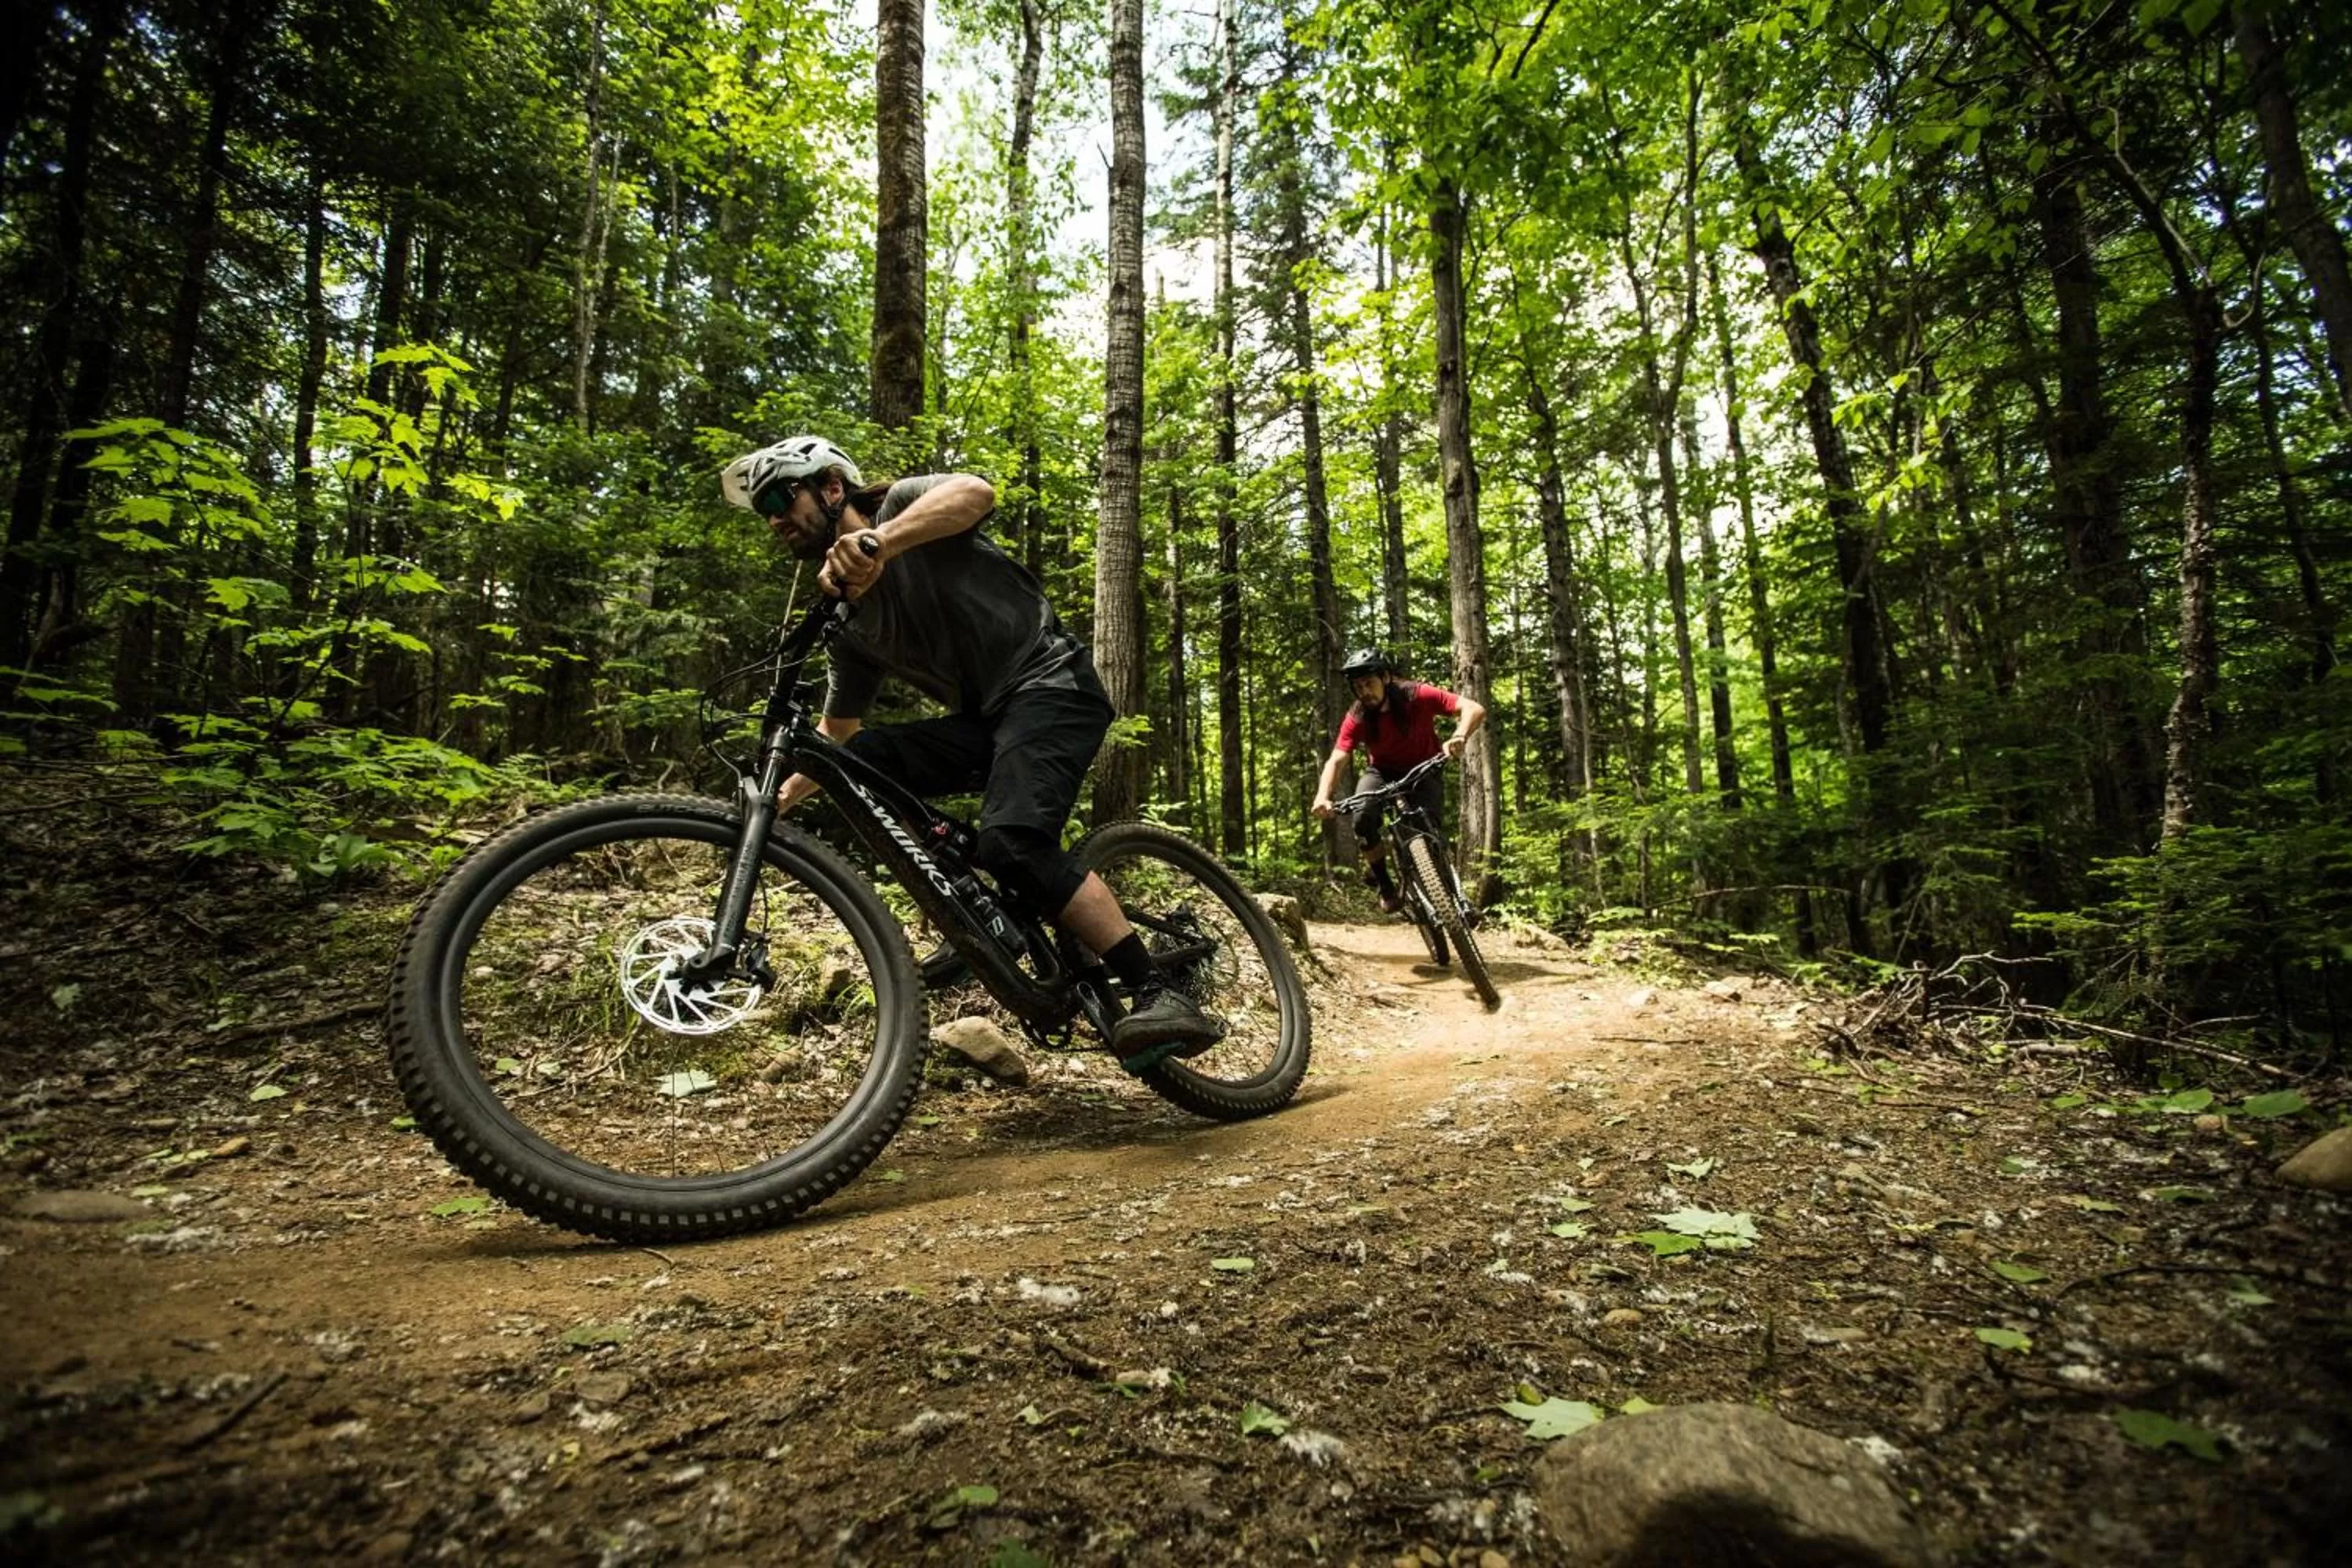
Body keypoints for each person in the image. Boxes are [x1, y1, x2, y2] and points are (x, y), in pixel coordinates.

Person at [720, 434, 1221, 1071]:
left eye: (777, 496)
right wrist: (776, 800)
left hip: (1052, 684)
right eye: (763, 507)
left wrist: (882, 542)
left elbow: (975, 492)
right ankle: (983, 915)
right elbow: (837, 731)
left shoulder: (902, 509)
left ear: (831, 488)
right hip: (987, 721)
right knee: (861, 762)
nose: (771, 517)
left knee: (1012, 842)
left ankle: (1160, 987)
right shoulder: (853, 626)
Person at [1308, 648, 1486, 913]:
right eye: (1358, 687)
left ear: (1386, 677)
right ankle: (1384, 884)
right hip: (1382, 771)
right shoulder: (1357, 715)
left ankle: (1454, 899)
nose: (1364, 691)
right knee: (1363, 818)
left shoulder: (1416, 694)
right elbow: (1337, 759)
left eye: (1369, 683)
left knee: (1431, 832)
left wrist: (1460, 734)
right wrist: (1323, 796)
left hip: (1425, 767)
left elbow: (1473, 708)